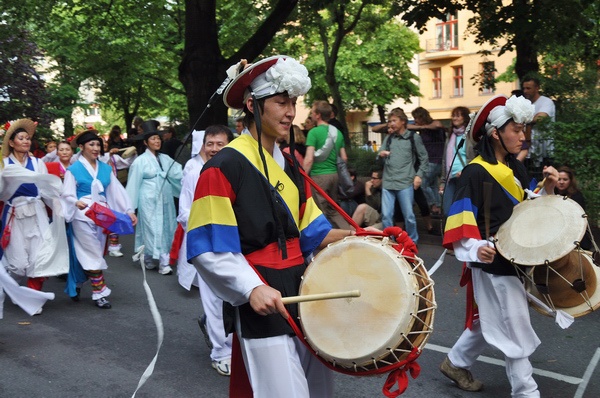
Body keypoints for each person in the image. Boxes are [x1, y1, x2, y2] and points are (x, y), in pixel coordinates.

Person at [188, 55, 353, 397]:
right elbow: (208, 246)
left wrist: (363, 239)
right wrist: (250, 287)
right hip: (262, 290)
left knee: (319, 389)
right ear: (253, 105)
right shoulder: (223, 167)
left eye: (293, 102)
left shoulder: (291, 164)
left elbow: (313, 233)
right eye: (281, 102)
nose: (291, 112)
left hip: (303, 287)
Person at [440, 95, 558, 396]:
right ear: (496, 133)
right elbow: (460, 221)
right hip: (491, 262)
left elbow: (527, 208)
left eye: (524, 130)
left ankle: (456, 361)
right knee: (513, 323)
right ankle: (526, 391)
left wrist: (551, 187)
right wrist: (475, 248)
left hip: (517, 258)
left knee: (494, 317)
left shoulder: (515, 169)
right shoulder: (475, 172)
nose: (523, 136)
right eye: (516, 130)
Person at [177, 124, 234, 376]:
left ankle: (234, 344)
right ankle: (220, 352)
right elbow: (184, 213)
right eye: (209, 144)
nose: (213, 149)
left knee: (234, 298)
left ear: (230, 145)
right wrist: (211, 223)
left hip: (235, 245)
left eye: (219, 144)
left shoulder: (238, 170)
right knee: (213, 300)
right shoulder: (194, 174)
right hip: (206, 245)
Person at [61, 130, 137, 308]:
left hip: (102, 215)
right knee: (91, 252)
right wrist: (75, 201)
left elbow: (116, 192)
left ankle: (79, 280)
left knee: (95, 251)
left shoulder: (105, 168)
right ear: (81, 147)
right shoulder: (73, 170)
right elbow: (66, 194)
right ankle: (99, 292)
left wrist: (128, 210)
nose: (96, 148)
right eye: (91, 145)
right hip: (82, 215)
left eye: (98, 145)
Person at [0, 119, 68, 314]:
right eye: (21, 138)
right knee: (18, 265)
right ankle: (12, 286)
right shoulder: (4, 164)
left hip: (36, 211)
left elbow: (46, 189)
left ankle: (31, 297)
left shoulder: (38, 163)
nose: (26, 141)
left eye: (28, 138)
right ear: (11, 143)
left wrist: (56, 205)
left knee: (40, 258)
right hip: (14, 213)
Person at [126, 120, 183, 275]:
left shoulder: (165, 158)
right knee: (151, 228)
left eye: (158, 138)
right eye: (153, 139)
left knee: (166, 227)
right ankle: (159, 261)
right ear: (145, 142)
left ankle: (155, 259)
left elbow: (178, 174)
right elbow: (133, 184)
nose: (157, 141)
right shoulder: (140, 162)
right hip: (148, 200)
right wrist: (130, 208)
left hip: (165, 199)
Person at [378, 108, 429, 244]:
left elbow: (424, 158)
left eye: (394, 121)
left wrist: (419, 176)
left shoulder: (413, 137)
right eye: (389, 121)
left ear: (403, 122)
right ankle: (388, 242)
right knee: (386, 216)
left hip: (405, 182)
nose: (391, 124)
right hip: (388, 182)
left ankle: (412, 242)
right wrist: (381, 154)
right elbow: (379, 155)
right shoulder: (389, 138)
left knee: (409, 216)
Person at [304, 100, 350, 229]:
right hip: (334, 175)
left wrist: (301, 176)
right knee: (333, 209)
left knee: (320, 211)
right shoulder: (337, 132)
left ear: (318, 115)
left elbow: (308, 159)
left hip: (319, 177)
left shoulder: (313, 133)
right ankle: (350, 233)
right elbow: (344, 157)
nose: (311, 114)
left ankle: (326, 242)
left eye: (312, 112)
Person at [409, 107, 445, 215]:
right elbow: (407, 126)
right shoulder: (422, 128)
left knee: (423, 183)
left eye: (416, 118)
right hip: (432, 161)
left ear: (422, 117)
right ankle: (438, 208)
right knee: (432, 185)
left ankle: (433, 204)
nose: (415, 121)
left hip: (434, 160)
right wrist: (420, 127)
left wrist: (422, 127)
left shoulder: (434, 124)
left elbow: (438, 125)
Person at [440, 106, 471, 217]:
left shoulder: (470, 136)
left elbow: (475, 158)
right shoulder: (450, 136)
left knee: (464, 211)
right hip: (450, 178)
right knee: (447, 210)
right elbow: (445, 159)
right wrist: (443, 182)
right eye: (453, 115)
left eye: (458, 115)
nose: (454, 118)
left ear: (465, 118)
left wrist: (466, 171)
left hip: (465, 178)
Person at [555, 166, 592, 250]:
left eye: (565, 179)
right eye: (559, 179)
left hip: (574, 234)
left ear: (570, 181)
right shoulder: (551, 193)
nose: (561, 182)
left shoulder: (577, 196)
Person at [521, 77, 555, 165]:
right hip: (529, 152)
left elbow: (540, 118)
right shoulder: (525, 103)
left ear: (537, 88)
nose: (525, 91)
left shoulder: (546, 102)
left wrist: (524, 119)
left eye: (528, 88)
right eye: (524, 88)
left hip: (545, 151)